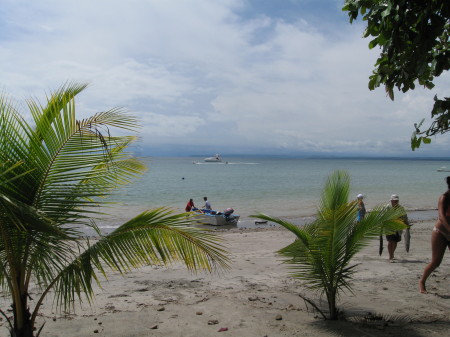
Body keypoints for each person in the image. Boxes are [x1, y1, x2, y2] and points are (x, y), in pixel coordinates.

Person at [419, 177, 450, 293]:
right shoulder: (444, 198)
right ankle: (422, 281)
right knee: (436, 262)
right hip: (440, 232)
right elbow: (441, 217)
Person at [386, 194, 409, 262]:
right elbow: (382, 216)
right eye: (394, 201)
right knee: (390, 241)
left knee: (395, 242)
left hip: (398, 227)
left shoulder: (401, 208)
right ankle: (390, 257)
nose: (396, 202)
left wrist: (407, 224)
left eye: (397, 201)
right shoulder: (387, 207)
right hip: (389, 227)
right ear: (391, 200)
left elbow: (404, 216)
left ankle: (392, 254)